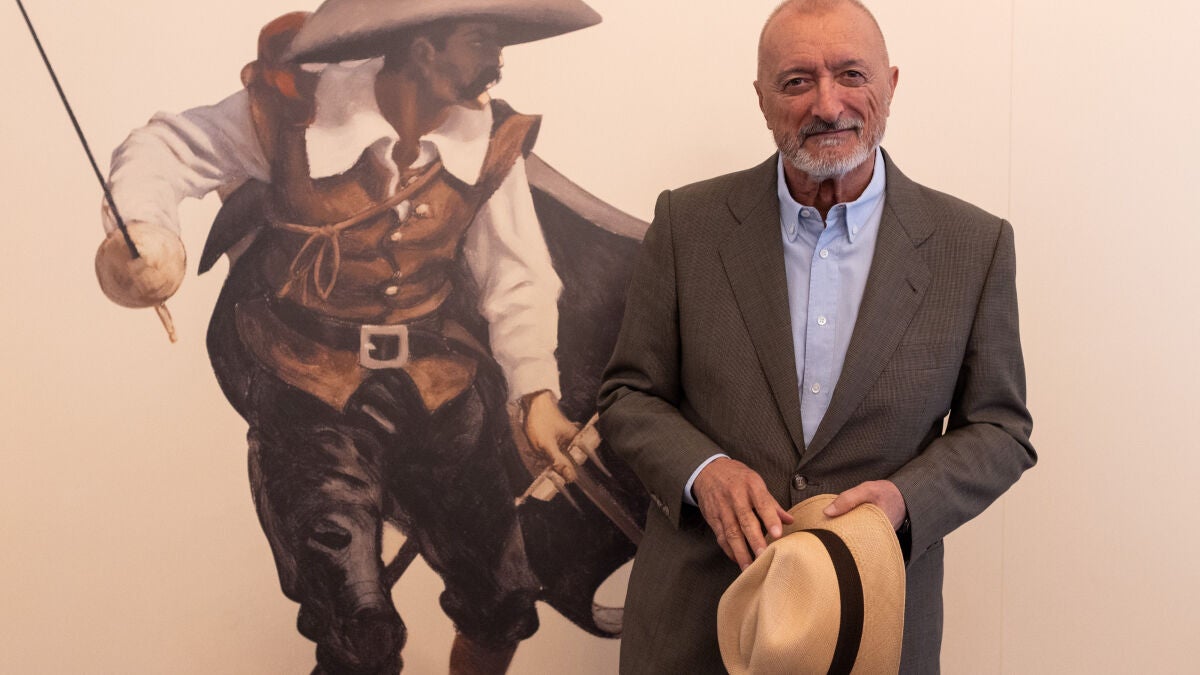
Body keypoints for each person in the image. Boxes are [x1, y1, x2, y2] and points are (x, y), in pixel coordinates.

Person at [92, 1, 636, 673]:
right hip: (308, 389)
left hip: (438, 387)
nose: (497, 60)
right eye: (479, 41)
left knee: (503, 601)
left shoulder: (487, 140)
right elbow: (166, 146)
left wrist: (536, 394)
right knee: (359, 629)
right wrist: (145, 227)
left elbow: (516, 274)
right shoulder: (296, 113)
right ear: (423, 49)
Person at [597, 0, 1036, 672]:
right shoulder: (687, 223)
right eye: (797, 81)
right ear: (761, 98)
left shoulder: (973, 246)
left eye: (851, 75)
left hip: (872, 626)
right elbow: (628, 394)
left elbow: (1000, 428)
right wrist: (703, 472)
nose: (828, 105)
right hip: (693, 628)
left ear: (890, 83)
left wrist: (903, 501)